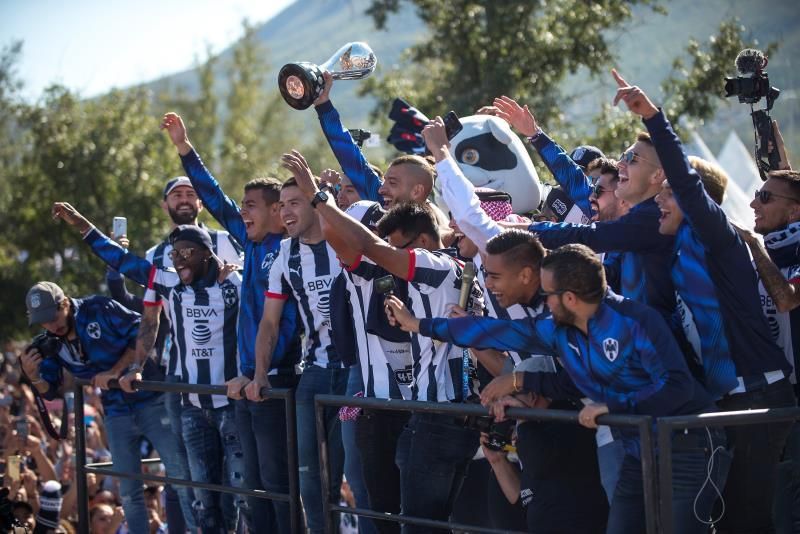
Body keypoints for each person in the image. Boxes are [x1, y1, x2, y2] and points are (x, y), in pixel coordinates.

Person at [388, 243, 729, 533]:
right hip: (636, 452)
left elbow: (677, 387)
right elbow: (501, 334)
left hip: (688, 447)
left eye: (548, 295)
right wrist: (419, 325)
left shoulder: (635, 321)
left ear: (569, 298)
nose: (544, 303)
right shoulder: (561, 330)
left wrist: (613, 406)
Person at [611, 71, 795, 533]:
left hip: (758, 395)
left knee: (748, 519)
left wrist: (653, 119)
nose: (660, 202)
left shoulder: (719, 238)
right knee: (721, 516)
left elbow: (786, 300)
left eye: (669, 194)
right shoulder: (677, 250)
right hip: (723, 399)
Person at [282, 149, 482, 532]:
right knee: (387, 514)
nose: (383, 244)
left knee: (423, 522)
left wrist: (318, 197)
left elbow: (370, 246)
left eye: (393, 240)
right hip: (390, 406)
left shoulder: (437, 265)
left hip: (437, 412)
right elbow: (349, 242)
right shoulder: (378, 267)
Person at [54, 201, 247, 534]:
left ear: (206, 253)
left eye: (186, 253)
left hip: (230, 404)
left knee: (240, 492)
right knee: (204, 495)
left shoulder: (235, 286)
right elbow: (123, 261)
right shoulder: (169, 284)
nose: (178, 260)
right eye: (174, 255)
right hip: (192, 406)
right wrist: (84, 226)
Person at [160, 112, 302, 533]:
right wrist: (185, 149)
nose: (242, 212)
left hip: (277, 382)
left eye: (250, 206)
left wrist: (262, 373)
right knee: (254, 492)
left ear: (277, 210)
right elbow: (216, 199)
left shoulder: (291, 250)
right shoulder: (252, 245)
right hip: (247, 384)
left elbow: (286, 325)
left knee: (280, 487)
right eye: (242, 207)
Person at [21, 280, 185, 534]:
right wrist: (34, 377)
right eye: (43, 322)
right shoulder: (50, 343)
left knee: (179, 474)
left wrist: (116, 370)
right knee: (128, 490)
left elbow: (142, 331)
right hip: (116, 412)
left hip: (151, 400)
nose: (51, 325)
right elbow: (50, 390)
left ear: (65, 303)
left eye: (53, 316)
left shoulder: (98, 308)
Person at [257, 170, 347, 534]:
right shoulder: (284, 253)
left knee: (349, 472)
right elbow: (269, 322)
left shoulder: (345, 237)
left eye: (294, 203)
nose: (286, 213)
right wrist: (259, 374)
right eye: (282, 206)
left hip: (358, 374)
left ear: (314, 203)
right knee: (308, 474)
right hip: (315, 371)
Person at [738, 167, 800, 533]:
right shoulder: (773, 252)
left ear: (794, 211)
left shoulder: (768, 253)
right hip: (777, 392)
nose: (752, 204)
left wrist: (753, 245)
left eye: (764, 198)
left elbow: (787, 299)